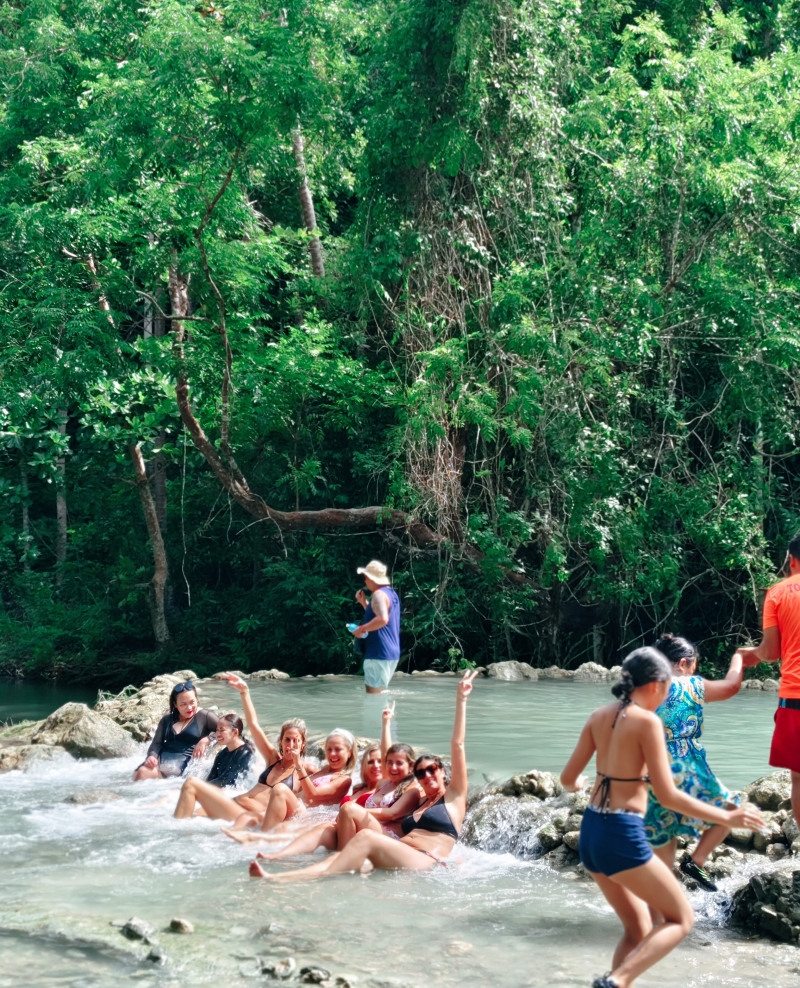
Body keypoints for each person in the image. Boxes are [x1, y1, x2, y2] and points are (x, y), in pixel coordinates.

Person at [560, 647, 763, 988]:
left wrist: (578, 783)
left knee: (638, 928)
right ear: (655, 685)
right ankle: (615, 982)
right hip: (621, 834)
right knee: (680, 919)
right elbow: (669, 796)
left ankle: (617, 981)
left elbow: (568, 779)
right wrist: (730, 816)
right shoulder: (647, 721)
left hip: (591, 831)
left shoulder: (598, 715)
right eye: (668, 687)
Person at [252, 670, 478, 881]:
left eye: (432, 770)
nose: (427, 775)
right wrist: (386, 723)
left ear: (443, 772)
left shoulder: (454, 798)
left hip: (425, 858)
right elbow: (391, 760)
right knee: (339, 829)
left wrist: (462, 700)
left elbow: (457, 745)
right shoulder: (420, 800)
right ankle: (280, 862)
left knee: (364, 835)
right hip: (398, 848)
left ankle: (287, 878)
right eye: (421, 772)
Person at [644, 633, 752, 893]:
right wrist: (739, 659)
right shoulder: (689, 685)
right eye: (694, 665)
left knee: (661, 835)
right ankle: (695, 861)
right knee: (729, 810)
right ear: (683, 663)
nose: (695, 671)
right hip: (683, 764)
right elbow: (731, 686)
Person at [248, 708, 419, 868]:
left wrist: (386, 725)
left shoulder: (379, 783)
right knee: (271, 821)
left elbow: (388, 759)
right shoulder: (362, 787)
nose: (376, 765)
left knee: (284, 803)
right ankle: (274, 855)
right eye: (329, 749)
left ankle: (334, 863)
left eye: (338, 749)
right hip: (335, 821)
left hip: (361, 828)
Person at [173, 673, 314, 821]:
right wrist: (244, 692)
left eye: (295, 741)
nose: (290, 745)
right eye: (287, 740)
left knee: (191, 784)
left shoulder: (306, 770)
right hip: (234, 802)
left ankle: (175, 837)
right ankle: (176, 837)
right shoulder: (273, 758)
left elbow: (319, 792)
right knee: (191, 814)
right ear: (281, 741)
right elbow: (253, 725)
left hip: (249, 815)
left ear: (303, 743)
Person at [738, 531, 800, 827]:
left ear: (791, 560)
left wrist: (753, 654)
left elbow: (772, 652)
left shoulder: (777, 593)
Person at [223, 728, 357, 837]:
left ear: (349, 752)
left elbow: (312, 794)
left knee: (280, 789)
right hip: (294, 808)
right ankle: (226, 841)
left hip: (306, 814)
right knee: (247, 818)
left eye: (338, 749)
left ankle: (263, 839)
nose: (332, 754)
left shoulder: (344, 779)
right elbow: (301, 790)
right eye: (329, 749)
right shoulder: (323, 770)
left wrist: (298, 765)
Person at [133, 682, 218, 781]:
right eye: (183, 704)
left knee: (142, 773)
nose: (189, 707)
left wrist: (207, 739)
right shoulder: (167, 719)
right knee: (136, 774)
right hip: (158, 760)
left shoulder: (204, 716)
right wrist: (151, 756)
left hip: (177, 766)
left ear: (197, 700)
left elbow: (228, 729)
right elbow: (156, 743)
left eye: (192, 702)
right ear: (175, 704)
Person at [351, 559, 401, 693]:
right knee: (380, 696)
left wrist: (361, 629)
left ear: (372, 578)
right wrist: (364, 603)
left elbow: (382, 619)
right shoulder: (391, 594)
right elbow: (381, 616)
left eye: (365, 577)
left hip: (378, 653)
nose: (364, 581)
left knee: (373, 699)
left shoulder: (378, 595)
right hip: (390, 653)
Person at [204, 713, 256, 788]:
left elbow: (228, 780)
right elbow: (211, 778)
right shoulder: (221, 754)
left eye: (222, 730)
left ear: (235, 732)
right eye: (217, 730)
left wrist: (201, 786)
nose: (217, 734)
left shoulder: (247, 753)